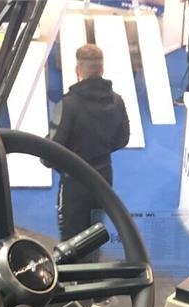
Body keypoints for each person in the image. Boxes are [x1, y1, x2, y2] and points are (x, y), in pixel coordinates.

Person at [50, 44, 129, 242]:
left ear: (78, 70)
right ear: (101, 69)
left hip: (74, 182)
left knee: (70, 242)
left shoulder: (67, 105)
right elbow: (123, 138)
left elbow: (50, 152)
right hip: (104, 177)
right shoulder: (117, 101)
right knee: (94, 236)